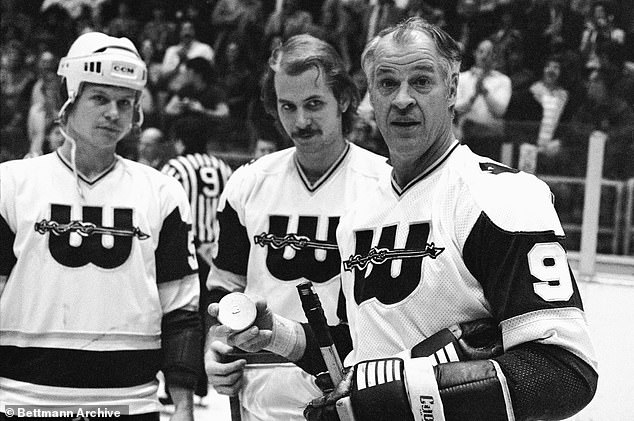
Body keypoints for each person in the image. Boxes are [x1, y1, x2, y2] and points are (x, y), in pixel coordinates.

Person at [208, 18, 599, 421]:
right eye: (388, 83)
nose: (402, 99)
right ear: (369, 98)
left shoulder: (503, 197)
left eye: (422, 81)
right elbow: (357, 351)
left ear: (452, 89)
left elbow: (565, 372)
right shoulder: (359, 215)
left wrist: (408, 394)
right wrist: (278, 336)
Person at [0, 32, 202, 419]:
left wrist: (183, 405)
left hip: (131, 402)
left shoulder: (162, 193)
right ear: (68, 100)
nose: (114, 113)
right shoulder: (10, 185)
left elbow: (180, 311)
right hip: (21, 402)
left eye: (125, 103)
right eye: (100, 98)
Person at [204, 34, 391, 421]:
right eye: (287, 106)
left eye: (314, 104)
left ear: (343, 99)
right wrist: (216, 343)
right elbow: (226, 289)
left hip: (354, 396)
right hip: (258, 395)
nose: (300, 121)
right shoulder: (247, 184)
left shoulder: (384, 186)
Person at [161, 119, 233, 404]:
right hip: (216, 252)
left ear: (179, 140)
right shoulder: (223, 167)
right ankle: (204, 382)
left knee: (181, 319)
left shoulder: (176, 167)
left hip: (185, 252)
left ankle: (179, 387)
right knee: (208, 318)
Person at [455, 37, 512, 160]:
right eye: (481, 51)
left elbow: (499, 111)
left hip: (491, 140)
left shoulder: (503, 80)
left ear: (495, 56)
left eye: (489, 53)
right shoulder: (462, 78)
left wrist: (484, 91)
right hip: (465, 137)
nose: (484, 56)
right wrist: (474, 96)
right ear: (475, 53)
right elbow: (456, 108)